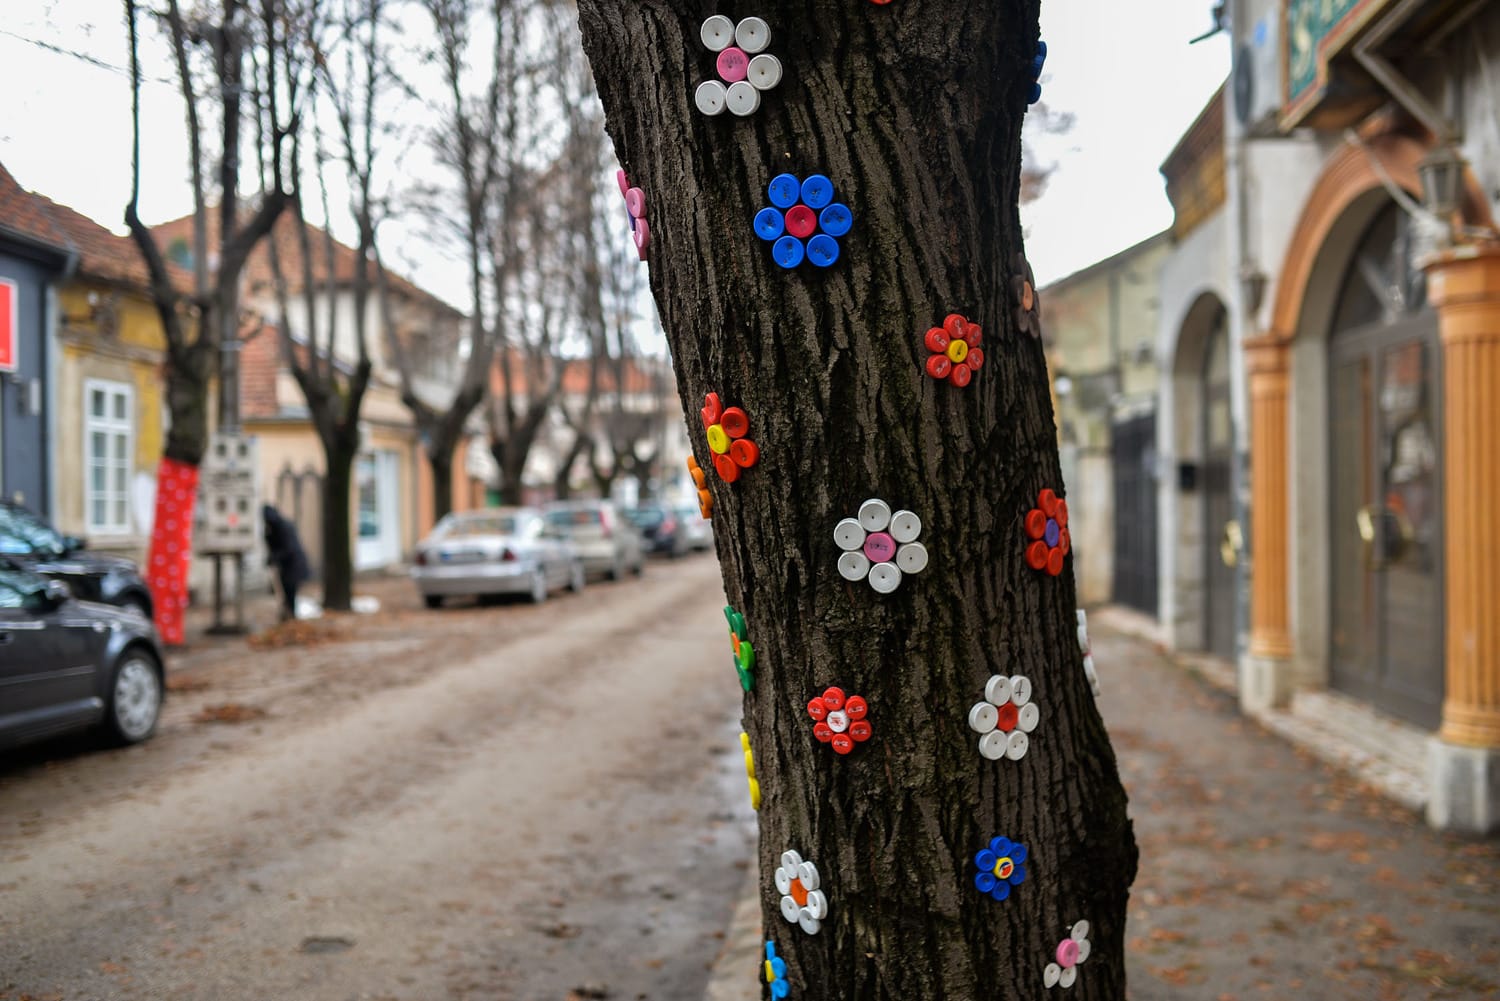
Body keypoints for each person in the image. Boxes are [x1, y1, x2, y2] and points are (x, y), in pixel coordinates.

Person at [262, 504, 310, 622]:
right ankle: (288, 617)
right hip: (286, 567)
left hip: (294, 566)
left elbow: (289, 549)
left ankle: (291, 617)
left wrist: (275, 557)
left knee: (290, 593)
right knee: (286, 593)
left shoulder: (284, 527)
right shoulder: (273, 529)